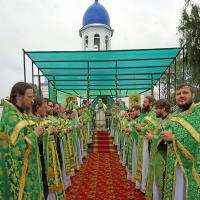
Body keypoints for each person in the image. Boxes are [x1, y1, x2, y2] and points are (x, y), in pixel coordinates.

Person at [0, 82, 45, 199]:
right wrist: (35, 133)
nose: (32, 101)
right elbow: (17, 150)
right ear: (19, 97)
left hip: (29, 170)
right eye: (29, 97)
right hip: (19, 174)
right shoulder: (11, 118)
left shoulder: (20, 114)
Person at [161, 83, 200, 200]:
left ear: (193, 95)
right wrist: (164, 138)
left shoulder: (198, 112)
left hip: (193, 166)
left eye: (185, 93)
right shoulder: (174, 116)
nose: (181, 96)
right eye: (178, 94)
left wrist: (174, 139)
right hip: (174, 165)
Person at [145, 99, 171, 200]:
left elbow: (166, 138)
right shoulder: (161, 120)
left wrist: (153, 137)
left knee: (160, 178)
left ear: (163, 108)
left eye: (156, 109)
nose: (155, 111)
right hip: (155, 153)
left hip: (162, 155)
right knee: (155, 176)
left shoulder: (170, 120)